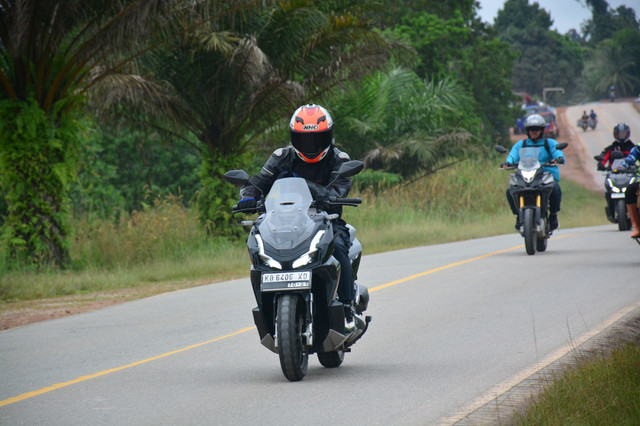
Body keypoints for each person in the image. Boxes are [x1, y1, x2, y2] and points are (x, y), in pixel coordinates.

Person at [236, 104, 358, 331]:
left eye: (317, 139)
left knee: (339, 249)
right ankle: (268, 310)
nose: (310, 146)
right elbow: (260, 181)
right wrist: (249, 196)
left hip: (326, 220)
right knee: (261, 249)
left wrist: (319, 192)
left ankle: (347, 306)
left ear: (328, 136)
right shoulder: (282, 157)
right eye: (304, 140)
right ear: (294, 138)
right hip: (284, 220)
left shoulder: (339, 159)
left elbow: (338, 190)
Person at [502, 114, 565, 231]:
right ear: (527, 130)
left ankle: (553, 216)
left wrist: (558, 158)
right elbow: (512, 156)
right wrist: (508, 162)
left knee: (556, 189)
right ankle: (518, 215)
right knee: (510, 190)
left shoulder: (549, 143)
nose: (534, 132)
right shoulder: (521, 144)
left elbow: (558, 153)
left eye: (536, 129)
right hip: (526, 175)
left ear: (542, 130)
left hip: (545, 175)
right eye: (531, 129)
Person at [614, 145, 640, 238]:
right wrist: (622, 167)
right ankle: (637, 227)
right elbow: (629, 159)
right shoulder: (638, 148)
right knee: (630, 190)